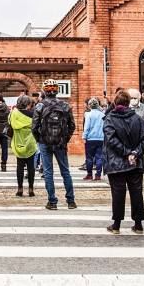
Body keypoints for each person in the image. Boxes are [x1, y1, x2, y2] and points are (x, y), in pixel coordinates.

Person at [103, 89, 144, 234]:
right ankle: (138, 225)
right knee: (137, 193)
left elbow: (111, 140)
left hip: (116, 163)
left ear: (115, 102)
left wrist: (126, 152)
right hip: (135, 163)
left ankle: (116, 225)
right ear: (129, 102)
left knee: (118, 194)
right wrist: (135, 153)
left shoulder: (110, 119)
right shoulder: (138, 119)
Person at [32, 79, 77, 210]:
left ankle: (52, 202)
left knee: (48, 172)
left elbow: (34, 127)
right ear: (57, 91)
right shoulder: (65, 105)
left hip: (44, 143)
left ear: (44, 91)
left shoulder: (40, 106)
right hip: (60, 143)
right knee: (65, 171)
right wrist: (65, 139)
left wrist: (39, 139)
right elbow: (72, 126)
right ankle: (71, 201)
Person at [9, 94, 38, 197]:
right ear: (28, 104)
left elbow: (9, 125)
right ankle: (31, 189)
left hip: (18, 143)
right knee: (31, 167)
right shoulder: (33, 114)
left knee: (20, 167)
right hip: (30, 144)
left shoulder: (14, 113)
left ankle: (20, 188)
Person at [82, 97, 105, 181]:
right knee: (99, 157)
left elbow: (86, 127)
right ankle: (98, 175)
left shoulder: (88, 115)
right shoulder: (102, 115)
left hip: (90, 139)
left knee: (89, 157)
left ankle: (89, 174)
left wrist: (84, 137)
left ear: (89, 106)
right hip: (101, 138)